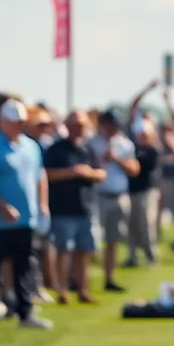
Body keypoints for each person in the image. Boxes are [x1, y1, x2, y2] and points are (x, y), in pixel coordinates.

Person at [0, 99, 52, 327]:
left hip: (26, 218)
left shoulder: (31, 145)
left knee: (24, 267)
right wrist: (2, 206)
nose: (20, 126)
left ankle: (25, 313)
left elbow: (40, 176)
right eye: (15, 122)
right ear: (4, 122)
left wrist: (43, 204)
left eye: (22, 122)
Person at [45, 111, 105, 304]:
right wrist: (71, 172)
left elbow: (101, 173)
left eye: (82, 125)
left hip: (86, 207)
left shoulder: (88, 149)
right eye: (75, 125)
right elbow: (48, 175)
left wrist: (88, 173)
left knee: (84, 251)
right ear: (67, 126)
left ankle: (83, 289)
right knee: (63, 250)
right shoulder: (57, 149)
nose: (79, 129)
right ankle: (62, 289)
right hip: (63, 208)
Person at [89, 111, 138, 292]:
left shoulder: (124, 144)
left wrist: (116, 159)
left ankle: (109, 277)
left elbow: (134, 169)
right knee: (93, 240)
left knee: (113, 240)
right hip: (99, 196)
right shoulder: (92, 142)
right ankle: (83, 280)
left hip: (118, 195)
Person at [125, 119, 161, 268]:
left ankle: (150, 255)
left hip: (147, 191)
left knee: (146, 224)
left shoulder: (151, 151)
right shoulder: (131, 149)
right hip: (131, 191)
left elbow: (138, 167)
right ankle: (132, 256)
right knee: (131, 225)